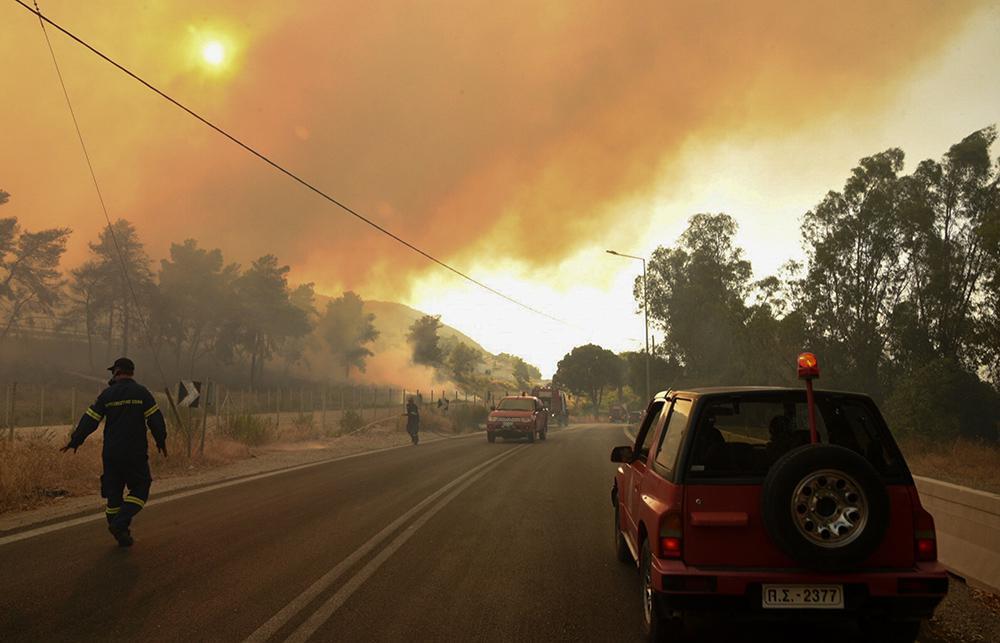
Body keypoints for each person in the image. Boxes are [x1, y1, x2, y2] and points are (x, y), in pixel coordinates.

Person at [61, 357, 167, 547]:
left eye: (112, 372)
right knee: (141, 487)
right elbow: (156, 420)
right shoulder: (142, 393)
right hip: (134, 453)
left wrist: (76, 440)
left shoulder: (107, 395)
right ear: (131, 372)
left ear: (117, 371)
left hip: (111, 454)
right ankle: (120, 524)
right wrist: (161, 440)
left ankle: (121, 532)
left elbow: (90, 419)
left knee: (113, 495)